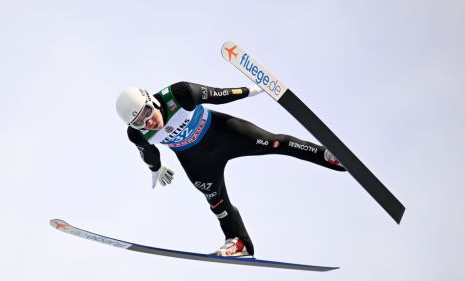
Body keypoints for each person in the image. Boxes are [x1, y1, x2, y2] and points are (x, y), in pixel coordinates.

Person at [116, 82, 345, 257]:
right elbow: (147, 151)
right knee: (216, 202)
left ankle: (328, 157)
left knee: (276, 143)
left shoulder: (179, 94)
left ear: (151, 101)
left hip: (225, 134)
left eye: (147, 113)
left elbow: (219, 95)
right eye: (139, 122)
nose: (148, 123)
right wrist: (155, 168)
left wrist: (251, 90)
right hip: (197, 161)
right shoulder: (137, 134)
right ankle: (239, 241)